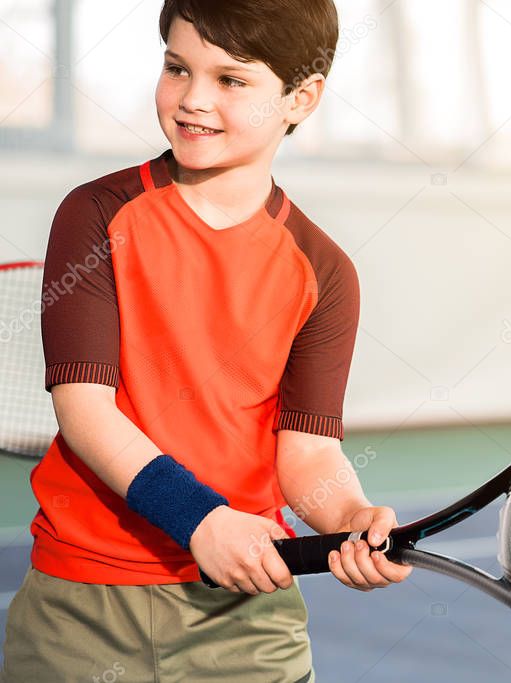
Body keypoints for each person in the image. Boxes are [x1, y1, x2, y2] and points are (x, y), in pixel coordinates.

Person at [0, 2, 410, 681]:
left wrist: (348, 514)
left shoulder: (326, 271)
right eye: (177, 67)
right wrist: (201, 519)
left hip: (247, 619)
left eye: (231, 80)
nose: (192, 99)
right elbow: (86, 411)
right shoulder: (95, 213)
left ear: (300, 98)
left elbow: (307, 452)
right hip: (78, 612)